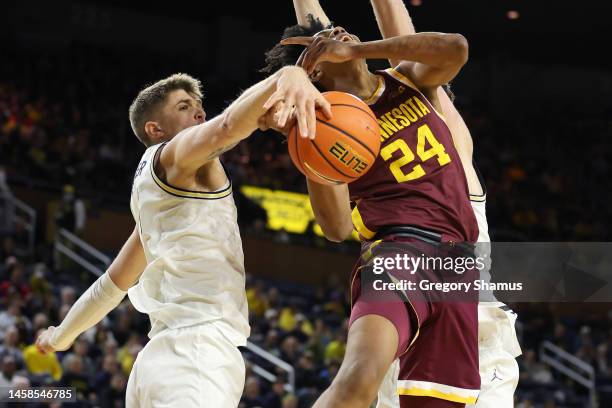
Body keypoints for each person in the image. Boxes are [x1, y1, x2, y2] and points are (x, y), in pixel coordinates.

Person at [36, 66, 332, 407]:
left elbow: (111, 285)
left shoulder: (155, 201)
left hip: (155, 364)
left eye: (199, 104)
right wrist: (287, 76)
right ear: (155, 129)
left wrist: (61, 336)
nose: (199, 111)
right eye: (184, 106)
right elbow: (225, 127)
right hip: (197, 353)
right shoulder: (175, 154)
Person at [262, 2, 479, 406]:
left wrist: (359, 51)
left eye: (338, 31)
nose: (338, 32)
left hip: (459, 265)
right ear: (315, 73)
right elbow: (337, 228)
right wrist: (306, 134)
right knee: (357, 381)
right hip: (400, 249)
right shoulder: (324, 126)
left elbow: (457, 48)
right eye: (323, 40)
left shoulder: (408, 78)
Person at [367, 2, 521, 407]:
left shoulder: (450, 143)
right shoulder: (389, 174)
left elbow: (409, 56)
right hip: (413, 331)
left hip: (470, 336)